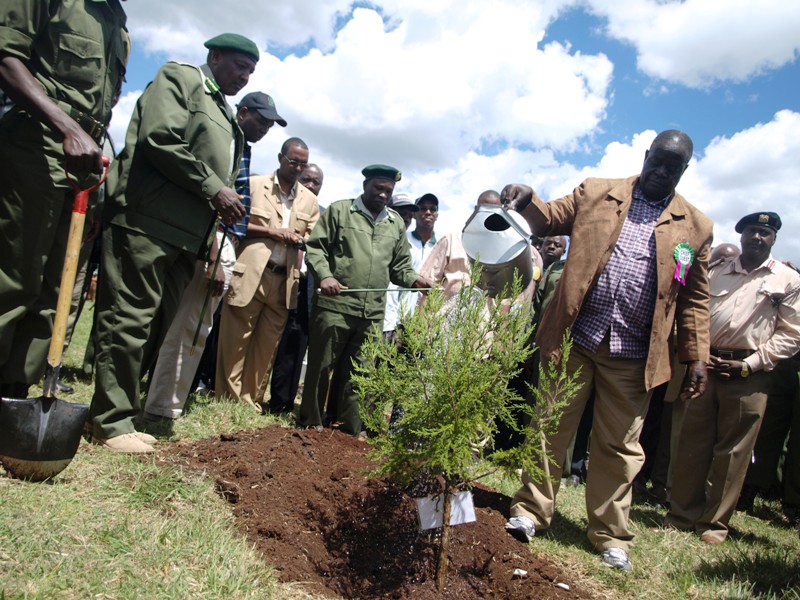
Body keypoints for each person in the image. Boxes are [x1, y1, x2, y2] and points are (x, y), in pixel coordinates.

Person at [502, 130, 713, 571]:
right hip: (574, 339)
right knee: (549, 428)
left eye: (672, 167)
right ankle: (530, 511)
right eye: (657, 161)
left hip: (635, 353)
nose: (662, 171)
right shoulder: (598, 192)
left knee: (620, 446)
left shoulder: (695, 227)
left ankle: (610, 535)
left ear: (684, 170)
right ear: (646, 155)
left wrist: (697, 356)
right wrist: (527, 198)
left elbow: (694, 298)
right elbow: (550, 217)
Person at [88, 33, 257, 453]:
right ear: (214, 56)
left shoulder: (225, 112)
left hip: (188, 237)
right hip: (148, 221)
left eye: (251, 72)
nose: (245, 76)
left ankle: (123, 414)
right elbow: (161, 137)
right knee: (128, 320)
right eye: (240, 66)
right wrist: (214, 188)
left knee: (155, 326)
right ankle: (109, 422)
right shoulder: (182, 79)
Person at [0, 0, 129, 397]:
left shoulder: (117, 23)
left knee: (54, 291)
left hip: (84, 161)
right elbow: (6, 58)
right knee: (15, 278)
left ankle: (14, 395)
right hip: (36, 144)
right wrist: (67, 128)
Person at [142, 91, 284, 422]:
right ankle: (162, 407)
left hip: (222, 242)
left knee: (193, 327)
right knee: (188, 326)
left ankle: (163, 401)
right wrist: (216, 255)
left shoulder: (243, 146)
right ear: (243, 113)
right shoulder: (223, 141)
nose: (264, 129)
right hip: (210, 242)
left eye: (270, 125)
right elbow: (212, 201)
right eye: (261, 121)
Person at [666, 212, 800, 543]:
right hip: (706, 367)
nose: (757, 237)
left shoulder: (787, 280)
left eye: (765, 233)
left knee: (734, 453)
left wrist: (751, 364)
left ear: (774, 239)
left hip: (750, 374)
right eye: (752, 231)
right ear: (741, 236)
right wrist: (698, 354)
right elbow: (694, 312)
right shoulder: (715, 271)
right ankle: (681, 516)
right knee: (692, 443)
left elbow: (791, 334)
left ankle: (713, 525)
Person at [298, 165, 432, 436]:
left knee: (360, 373)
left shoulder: (394, 224)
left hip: (371, 313)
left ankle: (347, 431)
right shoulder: (340, 211)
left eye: (388, 191)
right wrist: (325, 276)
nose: (383, 195)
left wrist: (416, 281)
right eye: (378, 188)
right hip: (335, 306)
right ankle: (310, 424)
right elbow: (315, 248)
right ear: (365, 185)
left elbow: (400, 268)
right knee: (321, 367)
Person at [216, 138, 320, 412]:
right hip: (251, 272)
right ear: (280, 157)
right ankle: (227, 398)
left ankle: (250, 400)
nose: (298, 168)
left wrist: (300, 238)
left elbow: (314, 239)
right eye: (293, 161)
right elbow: (234, 223)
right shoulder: (254, 185)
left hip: (285, 280)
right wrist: (273, 232)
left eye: (303, 164)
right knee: (236, 339)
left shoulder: (310, 201)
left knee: (267, 345)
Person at [267, 164, 325, 414]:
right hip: (278, 278)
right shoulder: (288, 208)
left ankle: (282, 403)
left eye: (316, 182)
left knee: (295, 342)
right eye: (306, 179)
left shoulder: (323, 216)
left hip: (305, 287)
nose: (311, 185)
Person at [383, 193, 421, 338]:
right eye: (401, 213)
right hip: (368, 319)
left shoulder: (413, 251)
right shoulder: (371, 240)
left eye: (410, 215)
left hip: (391, 325)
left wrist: (400, 326)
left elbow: (407, 294)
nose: (406, 219)